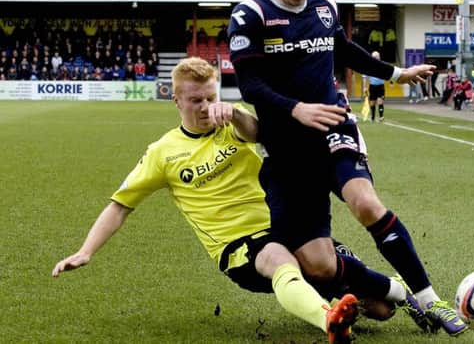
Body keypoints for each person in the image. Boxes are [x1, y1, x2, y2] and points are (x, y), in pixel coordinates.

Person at [52, 57, 427, 344]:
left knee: (380, 310)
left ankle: (390, 294)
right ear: (176, 100)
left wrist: (234, 113)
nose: (204, 107)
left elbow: (262, 133)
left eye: (211, 97)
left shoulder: (235, 124)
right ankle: (329, 319)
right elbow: (121, 205)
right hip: (238, 247)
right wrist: (86, 251)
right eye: (195, 100)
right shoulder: (162, 153)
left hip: (289, 224)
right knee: (277, 258)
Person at [228, 0, 467, 336]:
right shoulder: (249, 16)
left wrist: (397, 72)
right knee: (318, 264)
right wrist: (295, 109)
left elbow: (345, 50)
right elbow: (250, 87)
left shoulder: (324, 9)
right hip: (285, 148)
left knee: (365, 203)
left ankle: (433, 300)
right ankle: (393, 290)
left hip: (334, 128)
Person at [365, 51, 386, 122]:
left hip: (380, 86)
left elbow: (388, 73)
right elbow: (366, 77)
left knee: (380, 102)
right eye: (374, 57)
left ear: (379, 57)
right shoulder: (369, 66)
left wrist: (391, 82)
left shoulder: (383, 65)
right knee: (372, 103)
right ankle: (373, 117)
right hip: (372, 86)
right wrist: (365, 87)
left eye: (377, 57)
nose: (375, 58)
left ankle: (381, 116)